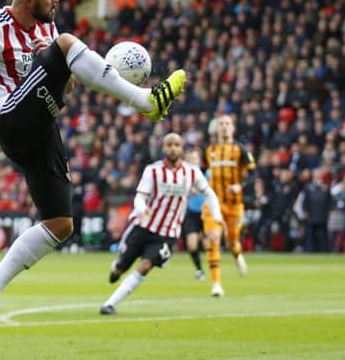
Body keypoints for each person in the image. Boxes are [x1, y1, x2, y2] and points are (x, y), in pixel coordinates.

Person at [0, 0, 186, 340]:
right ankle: (147, 102)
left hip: (40, 125)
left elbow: (59, 77)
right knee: (67, 43)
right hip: (10, 121)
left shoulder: (46, 26)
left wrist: (66, 73)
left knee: (60, 224)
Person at [99, 133, 225, 315]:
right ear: (163, 148)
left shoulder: (191, 172)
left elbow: (210, 194)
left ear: (182, 149)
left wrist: (217, 216)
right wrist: (142, 209)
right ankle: (117, 268)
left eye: (177, 145)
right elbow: (140, 197)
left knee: (145, 266)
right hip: (143, 227)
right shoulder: (153, 170)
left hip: (167, 234)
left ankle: (109, 304)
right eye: (169, 145)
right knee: (121, 268)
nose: (173, 148)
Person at [202, 115, 256, 297]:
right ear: (216, 129)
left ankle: (236, 253)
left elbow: (254, 175)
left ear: (233, 128)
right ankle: (216, 284)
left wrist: (241, 186)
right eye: (221, 124)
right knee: (214, 237)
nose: (224, 127)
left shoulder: (240, 149)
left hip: (234, 204)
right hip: (213, 203)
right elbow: (200, 172)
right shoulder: (209, 150)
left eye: (227, 124)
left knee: (232, 241)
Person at [182, 148, 206, 280]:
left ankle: (215, 271)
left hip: (205, 212)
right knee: (191, 244)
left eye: (195, 159)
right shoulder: (184, 175)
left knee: (209, 244)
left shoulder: (206, 173)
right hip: (191, 213)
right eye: (190, 160)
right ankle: (200, 270)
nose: (192, 162)